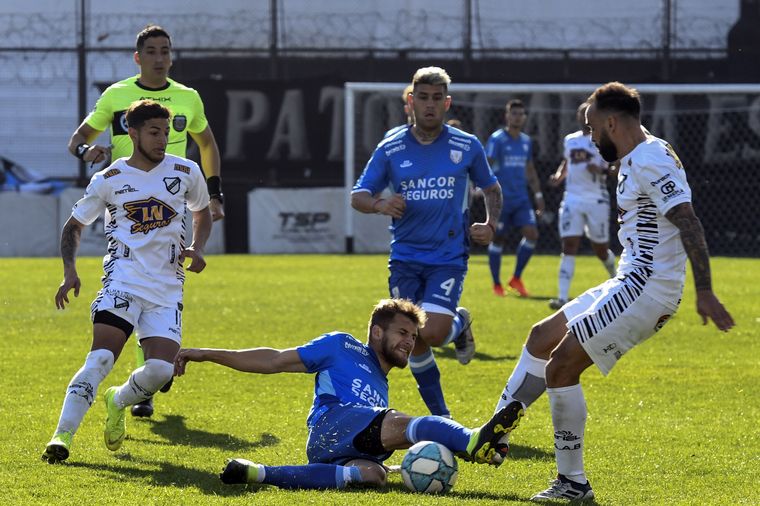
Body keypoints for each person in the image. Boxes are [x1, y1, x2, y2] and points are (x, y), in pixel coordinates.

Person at [492, 82, 734, 502]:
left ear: (611, 122)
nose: (588, 137)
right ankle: (494, 432)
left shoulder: (649, 159)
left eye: (591, 128)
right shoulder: (638, 154)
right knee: (540, 336)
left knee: (560, 367)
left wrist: (706, 292)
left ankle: (573, 483)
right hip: (629, 279)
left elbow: (689, 222)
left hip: (648, 288)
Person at [174, 298, 524, 490]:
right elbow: (275, 359)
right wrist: (207, 353)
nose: (409, 342)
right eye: (402, 332)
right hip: (331, 423)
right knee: (407, 423)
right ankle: (474, 440)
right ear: (376, 332)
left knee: (373, 477)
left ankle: (257, 473)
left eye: (414, 338)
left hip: (343, 446)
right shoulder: (341, 345)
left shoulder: (382, 383)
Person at [42, 99, 212, 464]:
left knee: (161, 371)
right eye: (153, 132)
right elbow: (74, 225)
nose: (162, 140)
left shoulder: (185, 171)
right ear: (131, 133)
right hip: (122, 282)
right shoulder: (110, 179)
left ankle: (117, 400)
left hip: (167, 289)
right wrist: (69, 271)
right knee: (100, 359)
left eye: (166, 132)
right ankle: (62, 437)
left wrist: (198, 247)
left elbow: (202, 211)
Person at [67, 24, 224, 418]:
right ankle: (143, 380)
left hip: (171, 204)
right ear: (138, 57)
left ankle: (148, 375)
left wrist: (215, 194)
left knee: (158, 287)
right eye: (151, 51)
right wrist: (87, 152)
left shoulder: (188, 98)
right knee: (131, 280)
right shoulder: (117, 95)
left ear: (172, 56)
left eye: (165, 51)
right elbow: (78, 139)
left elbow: (206, 144)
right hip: (127, 201)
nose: (159, 58)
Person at [351, 67, 502, 418]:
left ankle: (457, 323)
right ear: (410, 101)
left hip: (448, 255)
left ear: (447, 103)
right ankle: (442, 417)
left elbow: (491, 189)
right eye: (423, 97)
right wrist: (379, 204)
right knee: (409, 336)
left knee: (429, 332)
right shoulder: (391, 146)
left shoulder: (466, 145)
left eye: (437, 98)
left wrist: (491, 224)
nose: (430, 105)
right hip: (404, 256)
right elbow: (358, 195)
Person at [547, 102, 617, 309]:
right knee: (569, 245)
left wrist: (602, 171)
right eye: (580, 114)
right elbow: (567, 163)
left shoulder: (604, 139)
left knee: (601, 249)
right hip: (573, 198)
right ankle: (562, 297)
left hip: (596, 199)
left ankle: (616, 276)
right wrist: (559, 177)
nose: (583, 118)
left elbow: (614, 168)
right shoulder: (571, 140)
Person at [485, 99, 544, 298]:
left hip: (521, 198)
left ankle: (516, 278)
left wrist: (538, 194)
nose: (518, 117)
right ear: (507, 116)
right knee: (498, 238)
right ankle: (496, 283)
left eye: (521, 114)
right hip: (501, 199)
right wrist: (483, 188)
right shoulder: (497, 139)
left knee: (532, 234)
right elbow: (487, 165)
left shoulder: (526, 141)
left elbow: (530, 168)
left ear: (525, 117)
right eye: (514, 113)